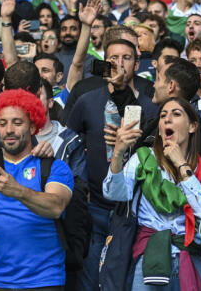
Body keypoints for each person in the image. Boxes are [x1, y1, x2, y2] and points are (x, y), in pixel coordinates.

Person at [0, 89, 73, 291]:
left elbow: (56, 207)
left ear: (33, 126)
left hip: (45, 281)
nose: (9, 130)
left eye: (17, 123)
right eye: (2, 123)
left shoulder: (52, 167)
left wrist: (16, 190)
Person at [66, 38, 158, 291]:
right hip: (93, 205)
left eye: (126, 58)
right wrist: (79, 186)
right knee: (90, 278)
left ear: (137, 64)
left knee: (122, 280)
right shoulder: (87, 100)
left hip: (131, 208)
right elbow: (68, 142)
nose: (119, 64)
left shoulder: (148, 106)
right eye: (113, 59)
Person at [104, 97, 201, 290]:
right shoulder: (143, 158)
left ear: (192, 126)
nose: (167, 119)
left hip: (193, 257)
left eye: (176, 114)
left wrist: (181, 165)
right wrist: (118, 153)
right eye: (163, 115)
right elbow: (114, 193)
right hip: (149, 257)